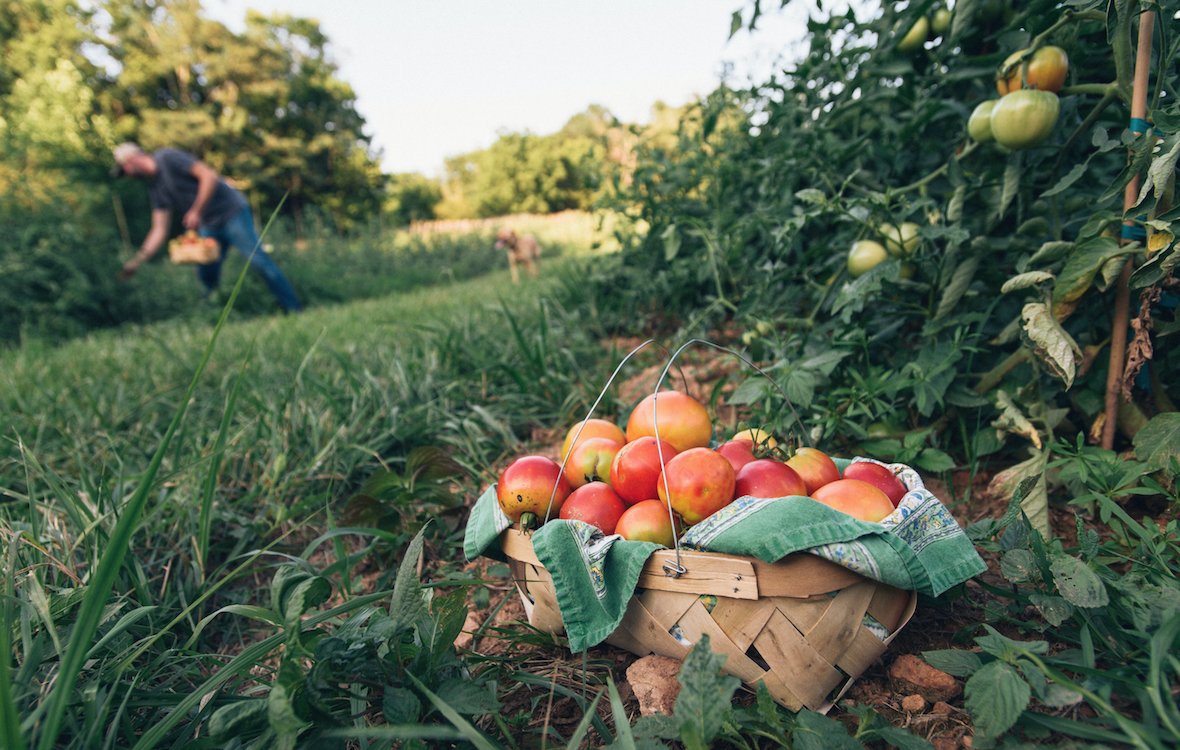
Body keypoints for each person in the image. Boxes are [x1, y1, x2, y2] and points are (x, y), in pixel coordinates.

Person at [113, 143, 303, 313]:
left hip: (231, 211)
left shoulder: (167, 158)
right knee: (206, 273)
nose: (127, 175)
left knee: (258, 260)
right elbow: (159, 230)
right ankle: (214, 315)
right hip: (208, 224)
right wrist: (137, 261)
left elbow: (208, 175)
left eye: (125, 169)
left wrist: (196, 210)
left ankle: (293, 309)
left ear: (131, 160)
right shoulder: (156, 189)